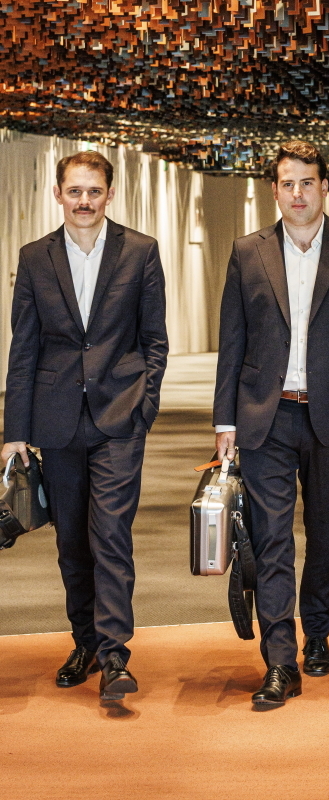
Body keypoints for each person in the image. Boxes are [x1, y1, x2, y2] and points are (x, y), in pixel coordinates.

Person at [214, 140, 329, 708]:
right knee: (271, 538)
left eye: (307, 183)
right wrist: (224, 420)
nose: (298, 193)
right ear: (275, 190)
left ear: (324, 187)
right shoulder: (248, 252)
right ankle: (280, 659)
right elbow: (232, 342)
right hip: (265, 416)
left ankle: (317, 630)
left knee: (326, 532)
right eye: (288, 183)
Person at [2, 150, 168, 701]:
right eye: (74, 191)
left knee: (111, 536)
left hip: (120, 418)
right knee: (72, 541)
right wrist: (14, 431)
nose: (84, 201)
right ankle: (86, 642)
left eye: (94, 191)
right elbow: (23, 350)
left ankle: (117, 654)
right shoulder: (34, 258)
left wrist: (144, 407)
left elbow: (155, 340)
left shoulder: (140, 251)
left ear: (109, 195)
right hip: (56, 422)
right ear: (58, 194)